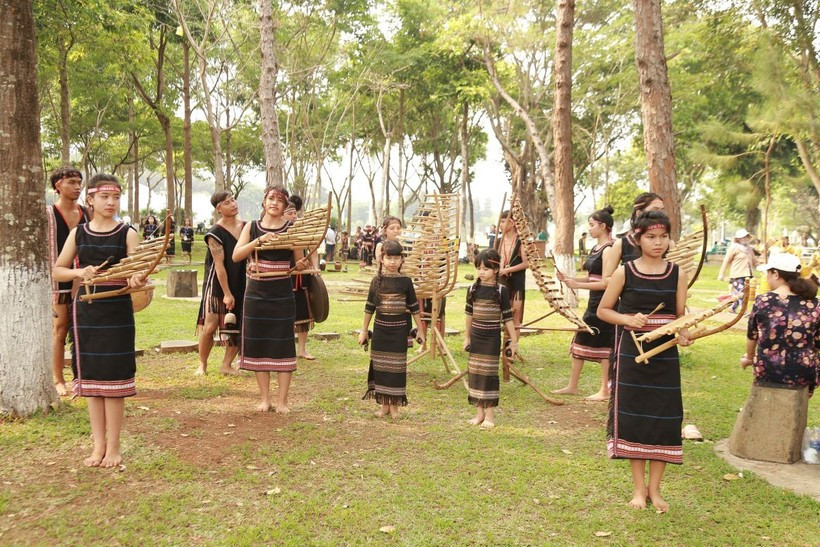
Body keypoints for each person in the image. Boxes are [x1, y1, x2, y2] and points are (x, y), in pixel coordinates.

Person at [597, 211, 692, 512]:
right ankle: (639, 490)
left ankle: (656, 490)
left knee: (663, 419)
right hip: (632, 355)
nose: (658, 242)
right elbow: (604, 311)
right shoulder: (625, 271)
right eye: (651, 237)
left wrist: (686, 331)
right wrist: (627, 318)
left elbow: (680, 314)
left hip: (665, 353)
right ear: (637, 238)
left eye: (663, 236)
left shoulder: (677, 273)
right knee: (636, 419)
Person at [53, 174, 147, 468]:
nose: (111, 202)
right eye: (105, 197)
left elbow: (139, 269)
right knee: (93, 383)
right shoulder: (77, 235)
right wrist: (80, 273)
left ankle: (115, 447)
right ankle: (98, 446)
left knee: (114, 381)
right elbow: (57, 270)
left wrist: (136, 278)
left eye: (116, 197)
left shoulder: (127, 233)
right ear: (90, 200)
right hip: (87, 313)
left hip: (117, 313)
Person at [233, 186, 309, 412]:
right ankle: (265, 399)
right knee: (259, 343)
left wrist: (302, 264)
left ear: (286, 206)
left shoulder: (291, 229)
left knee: (283, 343)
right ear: (264, 202)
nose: (274, 203)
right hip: (255, 292)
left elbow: (298, 263)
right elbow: (237, 255)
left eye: (279, 200)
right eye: (270, 198)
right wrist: (259, 241)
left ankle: (283, 401)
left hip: (282, 293)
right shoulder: (251, 227)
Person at [553, 206, 616, 400]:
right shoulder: (596, 248)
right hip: (593, 303)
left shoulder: (609, 249)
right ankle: (573, 386)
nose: (589, 229)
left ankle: (605, 390)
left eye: (592, 225)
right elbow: (592, 277)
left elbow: (607, 282)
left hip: (606, 303)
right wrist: (571, 279)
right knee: (581, 339)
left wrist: (577, 285)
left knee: (604, 345)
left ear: (603, 226)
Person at [359, 240, 424, 418]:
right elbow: (369, 307)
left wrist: (420, 329)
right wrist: (364, 330)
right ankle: (383, 406)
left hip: (399, 331)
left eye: (396, 258)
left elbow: (414, 307)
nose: (393, 262)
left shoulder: (405, 281)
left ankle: (395, 406)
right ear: (382, 259)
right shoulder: (376, 281)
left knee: (396, 368)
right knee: (381, 367)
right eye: (389, 258)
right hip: (380, 331)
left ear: (402, 260)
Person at [741, 253, 819, 393]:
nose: (767, 277)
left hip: (768, 371)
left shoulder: (763, 301)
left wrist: (749, 357)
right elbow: (817, 342)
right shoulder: (814, 304)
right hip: (803, 374)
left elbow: (752, 335)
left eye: (768, 273)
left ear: (775, 274)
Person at [46, 166, 91, 396]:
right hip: (59, 278)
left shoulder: (87, 213)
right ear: (58, 185)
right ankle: (58, 378)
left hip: (85, 277)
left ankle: (81, 377)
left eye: (79, 182)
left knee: (84, 327)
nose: (77, 187)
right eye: (71, 182)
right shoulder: (48, 214)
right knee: (60, 328)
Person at [463, 248, 518, 428]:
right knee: (476, 374)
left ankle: (490, 416)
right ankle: (479, 413)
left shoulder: (501, 290)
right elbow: (469, 314)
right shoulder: (472, 289)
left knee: (489, 375)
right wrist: (467, 337)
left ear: (495, 270)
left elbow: (508, 317)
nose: (481, 272)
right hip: (476, 337)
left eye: (485, 269)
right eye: (479, 268)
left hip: (492, 337)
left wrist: (514, 341)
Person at [195, 192, 246, 376]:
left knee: (237, 323)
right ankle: (202, 364)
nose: (233, 204)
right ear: (219, 209)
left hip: (242, 280)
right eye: (227, 202)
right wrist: (226, 293)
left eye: (233, 200)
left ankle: (226, 365)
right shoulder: (214, 233)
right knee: (211, 324)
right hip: (218, 282)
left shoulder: (246, 227)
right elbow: (219, 266)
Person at [601, 192, 666, 285]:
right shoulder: (621, 244)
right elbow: (606, 279)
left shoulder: (668, 244)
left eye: (662, 210)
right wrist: (633, 284)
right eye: (655, 210)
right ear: (639, 213)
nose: (659, 214)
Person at [284, 196, 318, 360]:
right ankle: (287, 348)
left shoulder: (302, 230)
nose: (293, 216)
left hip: (301, 277)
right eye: (289, 213)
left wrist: (315, 266)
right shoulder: (277, 230)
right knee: (285, 315)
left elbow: (313, 248)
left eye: (294, 213)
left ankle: (302, 349)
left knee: (303, 312)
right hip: (284, 275)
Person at [497, 211, 529, 327]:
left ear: (513, 223)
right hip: (502, 283)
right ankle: (505, 344)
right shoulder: (499, 240)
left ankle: (513, 344)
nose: (500, 225)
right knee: (504, 317)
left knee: (515, 318)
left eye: (503, 221)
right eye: (500, 221)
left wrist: (508, 270)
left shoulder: (521, 241)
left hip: (517, 284)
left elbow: (526, 263)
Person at [718, 229, 757, 313]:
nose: (744, 239)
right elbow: (726, 261)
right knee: (742, 292)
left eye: (745, 237)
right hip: (737, 275)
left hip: (747, 275)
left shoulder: (749, 249)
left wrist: (762, 266)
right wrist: (721, 274)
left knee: (741, 293)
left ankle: (732, 308)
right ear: (738, 239)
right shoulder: (734, 248)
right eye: (741, 237)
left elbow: (754, 261)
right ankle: (743, 309)